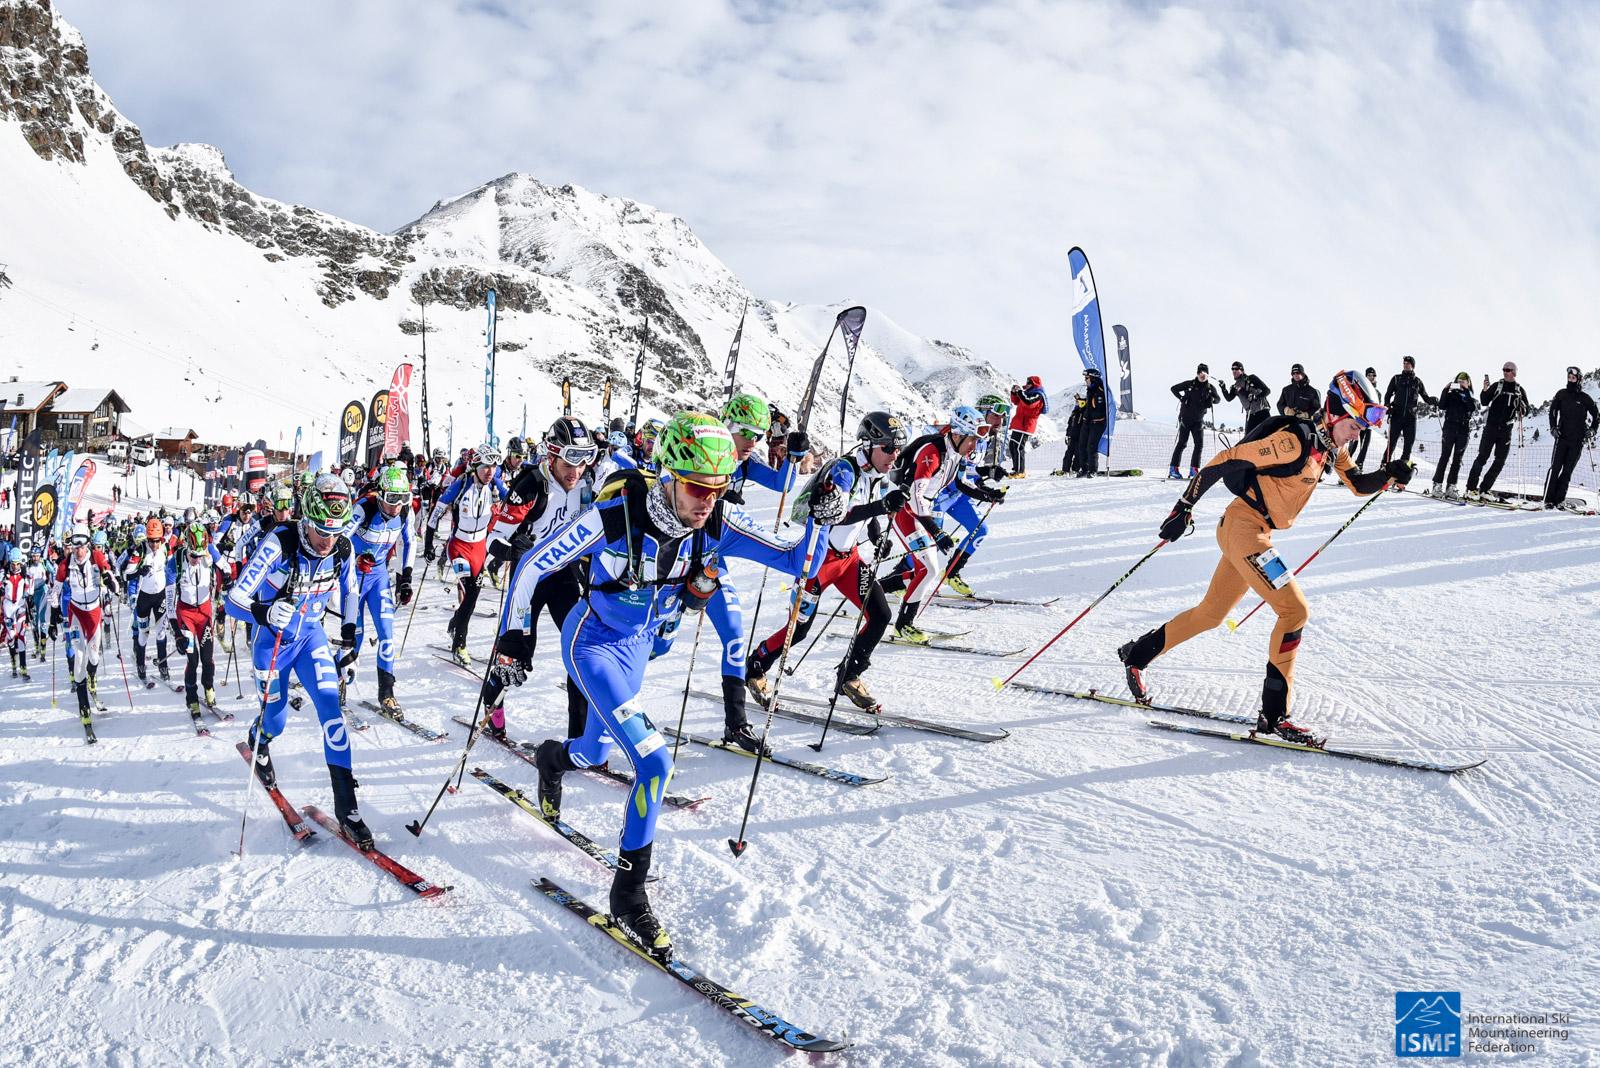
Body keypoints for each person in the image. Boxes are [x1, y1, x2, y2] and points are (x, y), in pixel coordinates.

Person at [501, 412, 841, 960]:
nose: (708, 500)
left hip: (635, 649)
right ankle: (628, 895)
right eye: (696, 487)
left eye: (718, 487)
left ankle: (552, 759)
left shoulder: (715, 525)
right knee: (655, 762)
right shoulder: (614, 514)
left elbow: (799, 561)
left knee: (594, 752)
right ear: (668, 475)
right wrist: (514, 636)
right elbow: (533, 566)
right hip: (590, 641)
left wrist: (822, 518)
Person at [1116, 371, 1406, 745]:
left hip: (1255, 532)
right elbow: (1224, 460)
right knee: (1294, 611)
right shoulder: (1291, 442)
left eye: (1360, 428)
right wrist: (1182, 508)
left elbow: (1358, 486)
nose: (1356, 433)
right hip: (1244, 529)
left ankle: (1136, 655)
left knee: (1211, 614)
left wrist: (1388, 474)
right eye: (1353, 425)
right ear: (1334, 414)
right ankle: (1275, 716)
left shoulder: (1331, 447)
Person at [649, 393, 806, 752]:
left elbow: (783, 485)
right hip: (675, 558)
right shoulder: (698, 452)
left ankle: (737, 724)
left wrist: (792, 456)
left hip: (715, 555)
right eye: (747, 432)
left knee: (735, 633)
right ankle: (608, 700)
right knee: (657, 644)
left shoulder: (745, 462)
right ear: (727, 426)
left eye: (760, 434)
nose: (753, 441)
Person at [226, 475, 367, 846]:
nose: (327, 541)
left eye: (334, 533)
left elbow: (351, 593)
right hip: (271, 644)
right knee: (276, 720)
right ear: (307, 519)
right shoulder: (282, 541)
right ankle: (260, 739)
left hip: (310, 638)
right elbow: (234, 599)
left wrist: (350, 641)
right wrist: (266, 613)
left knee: (332, 714)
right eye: (321, 531)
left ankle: (348, 808)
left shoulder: (342, 549)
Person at [748, 411, 908, 712]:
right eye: (888, 447)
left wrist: (876, 535)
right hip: (818, 560)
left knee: (880, 615)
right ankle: (756, 664)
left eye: (897, 448)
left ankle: (850, 676)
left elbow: (868, 512)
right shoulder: (844, 471)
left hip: (849, 561)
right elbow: (838, 513)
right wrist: (881, 506)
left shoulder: (877, 474)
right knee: (800, 629)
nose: (893, 455)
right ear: (869, 444)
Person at [479, 417, 598, 744]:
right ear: (552, 455)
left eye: (585, 458)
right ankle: (493, 706)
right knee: (517, 654)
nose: (577, 469)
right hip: (528, 582)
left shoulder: (585, 487)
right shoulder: (532, 484)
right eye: (570, 460)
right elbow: (493, 539)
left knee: (581, 648)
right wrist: (511, 549)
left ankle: (580, 736)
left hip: (562, 578)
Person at [880, 406, 990, 642]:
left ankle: (877, 589)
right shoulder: (933, 452)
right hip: (907, 511)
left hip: (922, 511)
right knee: (929, 568)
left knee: (925, 570)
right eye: (972, 440)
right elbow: (916, 496)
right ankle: (903, 625)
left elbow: (960, 484)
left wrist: (986, 494)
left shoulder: (956, 453)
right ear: (958, 435)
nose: (974, 446)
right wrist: (936, 531)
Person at [425, 443, 506, 665]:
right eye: (485, 467)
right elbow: (437, 512)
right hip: (459, 546)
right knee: (468, 590)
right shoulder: (462, 484)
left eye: (494, 467)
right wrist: (428, 544)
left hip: (480, 547)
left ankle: (455, 624)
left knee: (473, 596)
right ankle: (459, 644)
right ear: (475, 467)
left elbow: (515, 504)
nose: (490, 472)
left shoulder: (495, 485)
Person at [345, 464, 416, 712]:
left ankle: (386, 692)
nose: (396, 506)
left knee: (387, 635)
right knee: (356, 636)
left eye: (402, 500)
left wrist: (405, 577)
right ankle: (340, 679)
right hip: (354, 578)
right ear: (380, 494)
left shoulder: (405, 512)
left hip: (378, 578)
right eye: (391, 500)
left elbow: (410, 542)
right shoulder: (364, 507)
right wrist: (353, 559)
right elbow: (340, 541)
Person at [56, 524, 120, 722]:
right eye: (74, 547)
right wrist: (52, 619)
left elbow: (110, 575)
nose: (78, 551)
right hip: (75, 613)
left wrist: (111, 582)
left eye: (82, 546)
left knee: (93, 657)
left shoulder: (96, 556)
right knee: (79, 658)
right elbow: (55, 592)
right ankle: (84, 709)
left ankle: (92, 677)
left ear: (88, 545)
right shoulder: (65, 564)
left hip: (93, 614)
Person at [167, 522, 224, 724]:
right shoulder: (177, 561)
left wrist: (226, 586)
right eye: (193, 555)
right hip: (186, 614)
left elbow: (226, 568)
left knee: (208, 658)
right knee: (193, 658)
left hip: (205, 612)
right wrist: (177, 632)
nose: (196, 560)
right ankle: (191, 698)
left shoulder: (209, 551)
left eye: (199, 556)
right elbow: (170, 599)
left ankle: (208, 687)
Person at [1466, 363, 1531, 501]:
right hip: (1491, 427)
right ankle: (1471, 489)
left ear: (1514, 372)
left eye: (1508, 370)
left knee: (1500, 461)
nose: (1505, 372)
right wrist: (1485, 389)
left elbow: (1527, 410)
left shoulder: (1519, 390)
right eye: (1503, 370)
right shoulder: (1497, 385)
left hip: (1506, 430)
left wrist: (1522, 407)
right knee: (1482, 457)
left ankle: (1484, 489)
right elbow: (1484, 401)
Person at [125, 516, 174, 686]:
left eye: (157, 541)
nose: (154, 545)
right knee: (144, 634)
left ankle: (163, 666)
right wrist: (140, 571)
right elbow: (127, 574)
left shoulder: (166, 548)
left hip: (160, 595)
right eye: (151, 541)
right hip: (144, 598)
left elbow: (173, 567)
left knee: (161, 632)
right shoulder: (140, 551)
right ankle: (140, 665)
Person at [1543, 366, 1598, 508]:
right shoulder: (1561, 394)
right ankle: (1548, 499)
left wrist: (1592, 430)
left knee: (1567, 472)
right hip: (1561, 439)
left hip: (1577, 441)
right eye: (1569, 377)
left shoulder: (1585, 398)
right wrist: (1553, 428)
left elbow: (1596, 416)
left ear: (1578, 379)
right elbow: (1552, 412)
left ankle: (1559, 499)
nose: (1571, 380)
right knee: (1555, 469)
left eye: (1573, 378)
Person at [1382, 356, 1435, 472]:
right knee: (1391, 445)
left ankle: (1401, 473)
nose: (1406, 365)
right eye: (1404, 363)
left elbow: (1425, 397)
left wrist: (1433, 400)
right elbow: (1388, 394)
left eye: (1408, 363)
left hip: (1410, 419)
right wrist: (1388, 406)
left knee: (1408, 447)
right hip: (1397, 415)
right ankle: (1383, 468)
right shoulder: (1396, 379)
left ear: (1413, 366)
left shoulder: (1417, 382)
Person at [1429, 372, 1478, 498]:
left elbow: (1472, 408)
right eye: (1459, 380)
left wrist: (1466, 391)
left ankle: (1451, 486)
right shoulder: (1451, 395)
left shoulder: (1470, 397)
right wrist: (1445, 389)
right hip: (1450, 428)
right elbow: (1442, 405)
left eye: (1464, 380)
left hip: (1463, 430)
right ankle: (1437, 485)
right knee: (1444, 456)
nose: (1461, 382)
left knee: (1457, 459)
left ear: (1469, 382)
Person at [1169, 364, 1221, 479]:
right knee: (1182, 443)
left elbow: (1218, 400)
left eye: (1204, 374)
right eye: (1200, 373)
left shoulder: (1210, 387)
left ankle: (1194, 471)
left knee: (1199, 445)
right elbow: (1173, 388)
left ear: (1208, 375)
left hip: (1198, 421)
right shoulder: (1189, 384)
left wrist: (1212, 399)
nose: (1202, 376)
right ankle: (1173, 469)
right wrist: (1181, 398)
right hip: (1185, 419)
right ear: (1197, 374)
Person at [1006, 375, 1048, 478]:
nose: (1027, 385)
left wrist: (1020, 392)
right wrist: (1014, 393)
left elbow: (1028, 402)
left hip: (1026, 425)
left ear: (1034, 384)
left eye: (1029, 383)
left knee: (1018, 447)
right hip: (1019, 424)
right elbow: (1017, 401)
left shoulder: (1038, 395)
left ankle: (1020, 471)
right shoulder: (1027, 394)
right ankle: (1016, 469)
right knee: (1013, 446)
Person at [1221, 361, 1272, 433]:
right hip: (1250, 415)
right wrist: (1223, 388)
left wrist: (1256, 396)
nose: (1234, 371)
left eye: (1236, 369)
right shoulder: (1235, 386)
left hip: (1262, 412)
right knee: (1249, 440)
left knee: (1268, 436)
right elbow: (1229, 398)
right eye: (1232, 369)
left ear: (1241, 370)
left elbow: (1267, 391)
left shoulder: (1252, 378)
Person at [3, 558, 31, 680]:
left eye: (17, 564)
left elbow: (30, 588)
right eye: (13, 564)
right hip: (8, 606)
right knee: (11, 635)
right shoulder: (4, 573)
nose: (15, 567)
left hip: (20, 605)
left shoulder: (25, 573)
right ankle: (14, 662)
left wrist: (29, 596)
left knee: (21, 634)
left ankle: (23, 667)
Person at [1076, 368, 1108, 476]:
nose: (1085, 380)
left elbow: (1102, 408)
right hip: (1087, 423)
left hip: (1097, 423)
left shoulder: (1101, 391)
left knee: (1091, 446)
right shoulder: (1089, 390)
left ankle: (1092, 470)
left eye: (1087, 378)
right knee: (1082, 445)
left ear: (1093, 378)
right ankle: (1084, 469)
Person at [1353, 368, 1381, 469]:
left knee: (1365, 445)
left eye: (1373, 376)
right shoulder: (1359, 389)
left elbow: (1378, 408)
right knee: (1353, 444)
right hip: (1358, 421)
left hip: (1368, 423)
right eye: (1369, 375)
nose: (1371, 377)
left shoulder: (1377, 393)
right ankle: (1345, 467)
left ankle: (1359, 465)